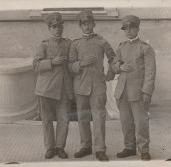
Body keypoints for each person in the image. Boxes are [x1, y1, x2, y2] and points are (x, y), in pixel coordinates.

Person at [68, 9, 115, 161]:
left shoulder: (102, 41)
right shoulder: (75, 44)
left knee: (99, 119)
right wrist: (81, 64)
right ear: (80, 27)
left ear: (94, 24)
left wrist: (110, 75)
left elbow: (113, 59)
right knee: (82, 118)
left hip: (98, 87)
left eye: (89, 23)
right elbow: (70, 66)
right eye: (84, 24)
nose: (87, 27)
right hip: (80, 87)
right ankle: (86, 147)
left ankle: (100, 149)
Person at [112, 15, 156, 161]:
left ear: (138, 28)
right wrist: (120, 66)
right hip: (122, 90)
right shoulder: (121, 46)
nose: (129, 31)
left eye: (132, 28)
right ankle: (129, 147)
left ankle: (143, 149)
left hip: (138, 91)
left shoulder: (145, 48)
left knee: (141, 121)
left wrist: (147, 91)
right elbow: (113, 65)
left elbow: (150, 72)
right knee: (125, 121)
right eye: (126, 29)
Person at [33, 12, 73, 159]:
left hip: (64, 87)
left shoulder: (69, 44)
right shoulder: (43, 44)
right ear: (49, 29)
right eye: (54, 27)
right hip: (46, 88)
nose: (57, 29)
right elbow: (35, 65)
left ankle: (60, 147)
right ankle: (49, 147)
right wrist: (51, 62)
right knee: (47, 119)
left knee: (64, 119)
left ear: (62, 27)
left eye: (60, 26)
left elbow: (72, 63)